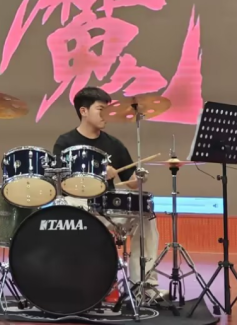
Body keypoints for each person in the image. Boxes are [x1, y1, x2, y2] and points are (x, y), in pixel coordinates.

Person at [53, 86, 163, 298]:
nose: (106, 115)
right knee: (64, 206)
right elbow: (60, 181)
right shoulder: (65, 142)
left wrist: (138, 179)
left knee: (145, 216)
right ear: (83, 111)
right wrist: (99, 172)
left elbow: (131, 182)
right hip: (77, 204)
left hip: (107, 207)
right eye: (101, 109)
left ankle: (143, 285)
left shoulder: (114, 144)